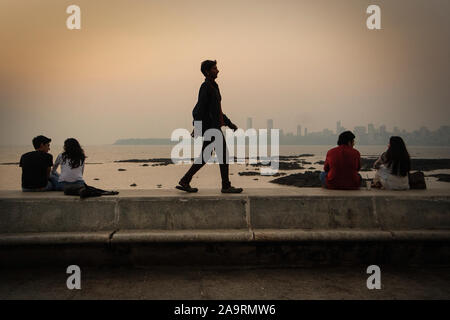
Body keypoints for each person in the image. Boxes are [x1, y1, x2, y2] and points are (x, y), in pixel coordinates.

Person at [176, 60, 243, 193]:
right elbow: (199, 108)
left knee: (206, 156)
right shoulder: (206, 87)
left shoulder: (214, 86)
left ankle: (185, 180)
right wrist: (198, 127)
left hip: (213, 126)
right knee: (222, 154)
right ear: (207, 72)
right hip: (210, 128)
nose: (218, 70)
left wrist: (229, 123)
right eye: (214, 68)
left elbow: (217, 110)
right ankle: (225, 186)